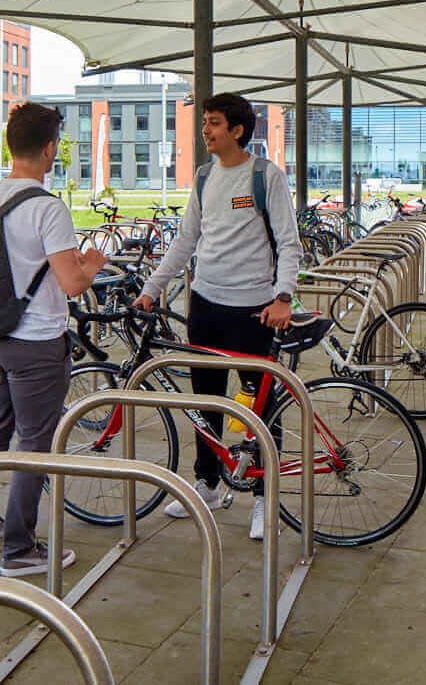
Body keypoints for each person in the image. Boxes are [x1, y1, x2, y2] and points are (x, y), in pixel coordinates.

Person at [134, 92, 304, 540]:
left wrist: (283, 296)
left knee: (260, 407)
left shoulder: (266, 177)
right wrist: (153, 289)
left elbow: (289, 243)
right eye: (205, 122)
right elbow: (185, 240)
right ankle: (207, 483)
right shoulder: (206, 176)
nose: (206, 130)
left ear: (237, 130)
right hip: (205, 305)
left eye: (213, 123)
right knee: (205, 401)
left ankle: (265, 496)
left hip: (255, 310)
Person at [0, 103, 109, 576]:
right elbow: (72, 284)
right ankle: (19, 549)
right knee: (35, 443)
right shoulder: (47, 208)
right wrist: (93, 263)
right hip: (39, 342)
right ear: (49, 150)